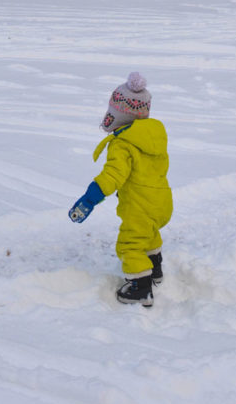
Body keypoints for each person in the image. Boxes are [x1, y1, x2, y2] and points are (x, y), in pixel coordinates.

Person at [69, 72, 173, 307]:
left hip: (139, 205)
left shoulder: (123, 144)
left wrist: (91, 197)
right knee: (149, 233)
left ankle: (141, 288)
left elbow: (113, 175)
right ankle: (155, 269)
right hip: (162, 202)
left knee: (130, 244)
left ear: (120, 115)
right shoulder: (154, 136)